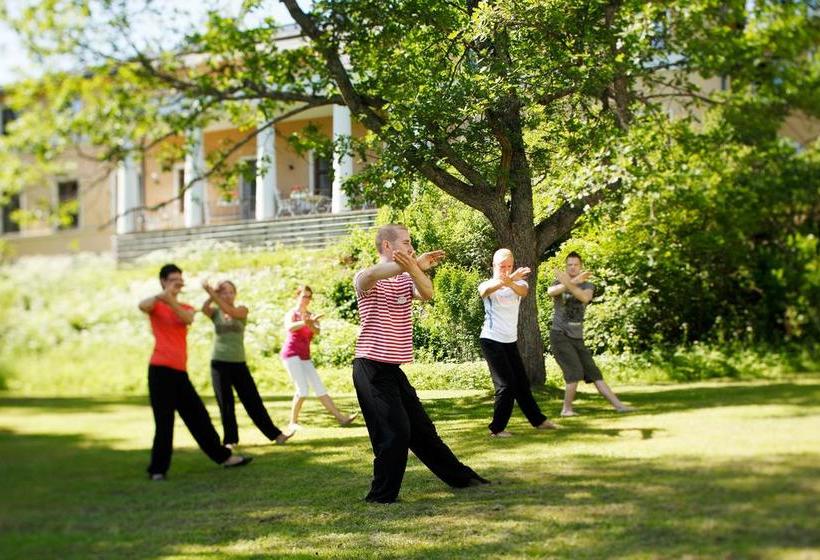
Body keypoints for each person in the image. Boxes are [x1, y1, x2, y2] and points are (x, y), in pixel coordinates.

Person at [353, 224, 489, 504]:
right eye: (405, 242)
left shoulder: (405, 278)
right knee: (395, 433)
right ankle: (381, 497)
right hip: (370, 367)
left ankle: (463, 480)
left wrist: (414, 267)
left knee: (422, 431)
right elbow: (373, 274)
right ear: (388, 246)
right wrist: (413, 264)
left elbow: (428, 292)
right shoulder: (366, 278)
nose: (411, 246)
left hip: (392, 370)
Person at [138, 264, 252, 480]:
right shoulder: (156, 305)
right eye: (173, 279)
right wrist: (162, 295)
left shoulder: (186, 306)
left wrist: (169, 297)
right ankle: (157, 470)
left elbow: (187, 318)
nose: (178, 282)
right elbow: (142, 305)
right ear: (163, 281)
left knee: (199, 417)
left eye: (180, 279)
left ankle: (224, 458)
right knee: (164, 422)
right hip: (159, 371)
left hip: (179, 373)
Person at [202, 279, 292, 447]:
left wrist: (211, 293)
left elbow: (230, 310)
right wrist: (211, 293)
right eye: (224, 292)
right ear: (220, 294)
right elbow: (204, 309)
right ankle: (230, 441)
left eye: (231, 292)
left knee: (253, 401)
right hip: (219, 363)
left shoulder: (242, 310)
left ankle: (276, 435)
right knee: (226, 403)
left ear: (235, 294)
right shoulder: (215, 313)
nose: (228, 295)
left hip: (238, 363)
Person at [479, 249, 558, 437]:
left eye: (509, 266)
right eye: (501, 267)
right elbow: (484, 292)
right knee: (506, 386)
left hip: (509, 341)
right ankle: (496, 429)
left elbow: (523, 291)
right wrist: (506, 280)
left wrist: (511, 281)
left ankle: (539, 421)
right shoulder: (487, 284)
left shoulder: (519, 283)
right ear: (493, 266)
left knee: (521, 384)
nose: (505, 270)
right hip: (491, 339)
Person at [548, 252, 634, 416]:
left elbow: (584, 297)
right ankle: (566, 410)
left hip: (577, 338)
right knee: (574, 372)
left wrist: (570, 283)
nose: (572, 267)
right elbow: (551, 292)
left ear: (581, 267)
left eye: (575, 265)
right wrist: (572, 281)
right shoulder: (558, 283)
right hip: (560, 335)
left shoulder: (588, 286)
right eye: (569, 265)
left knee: (594, 373)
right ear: (567, 266)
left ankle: (619, 406)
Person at [280, 284, 358, 430]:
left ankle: (341, 419)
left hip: (305, 356)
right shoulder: (292, 313)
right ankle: (293, 423)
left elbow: (317, 331)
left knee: (319, 388)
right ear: (297, 296)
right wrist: (305, 322)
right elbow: (289, 327)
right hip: (291, 354)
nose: (307, 299)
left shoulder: (312, 314)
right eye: (304, 296)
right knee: (302, 389)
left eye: (309, 297)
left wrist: (311, 324)